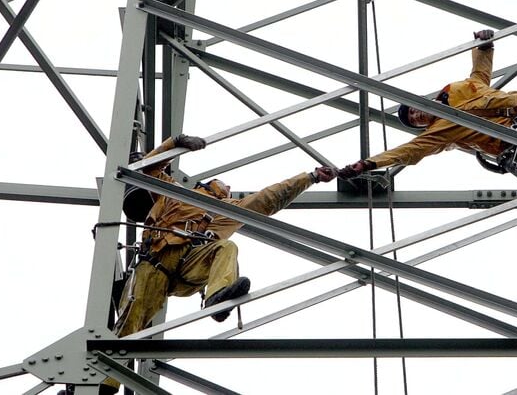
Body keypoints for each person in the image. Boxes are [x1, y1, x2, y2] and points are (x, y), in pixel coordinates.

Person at [91, 134, 336, 395]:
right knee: (132, 322)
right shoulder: (174, 193)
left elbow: (269, 198)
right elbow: (148, 168)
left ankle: (217, 297)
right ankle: (103, 384)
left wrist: (310, 177)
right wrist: (175, 143)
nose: (227, 188)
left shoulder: (227, 210)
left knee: (226, 247)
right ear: (206, 186)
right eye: (223, 186)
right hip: (156, 262)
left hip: (190, 264)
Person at [338, 29, 517, 213]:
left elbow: (480, 73)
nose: (416, 116)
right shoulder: (440, 132)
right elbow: (407, 151)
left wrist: (484, 45)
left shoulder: (457, 89)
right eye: (414, 120)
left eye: (413, 111)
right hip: (516, 136)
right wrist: (369, 164)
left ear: (421, 102)